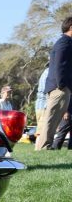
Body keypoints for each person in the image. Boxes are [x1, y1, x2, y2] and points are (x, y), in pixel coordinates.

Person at [35, 16, 72, 150]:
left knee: (54, 119)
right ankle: (44, 147)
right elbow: (59, 65)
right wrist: (62, 85)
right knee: (51, 119)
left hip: (61, 87)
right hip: (59, 88)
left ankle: (45, 146)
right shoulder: (65, 43)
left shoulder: (67, 42)